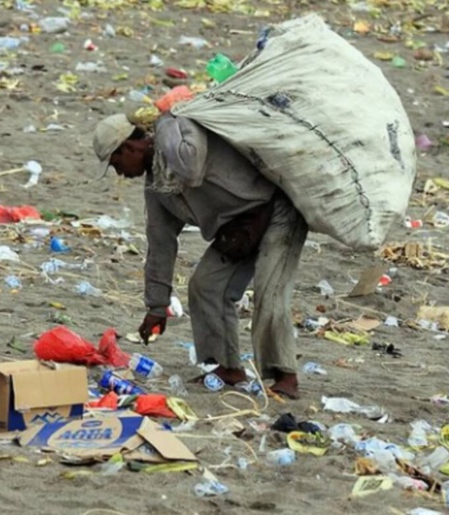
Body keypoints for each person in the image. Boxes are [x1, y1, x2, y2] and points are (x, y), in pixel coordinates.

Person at [92, 112, 308, 399]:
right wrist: (157, 306)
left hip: (276, 210)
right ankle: (227, 367)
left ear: (130, 147)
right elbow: (160, 244)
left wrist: (165, 119)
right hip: (238, 231)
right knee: (206, 286)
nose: (119, 172)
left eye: (116, 162)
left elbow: (189, 167)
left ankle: (285, 375)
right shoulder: (156, 187)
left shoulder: (180, 134)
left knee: (271, 292)